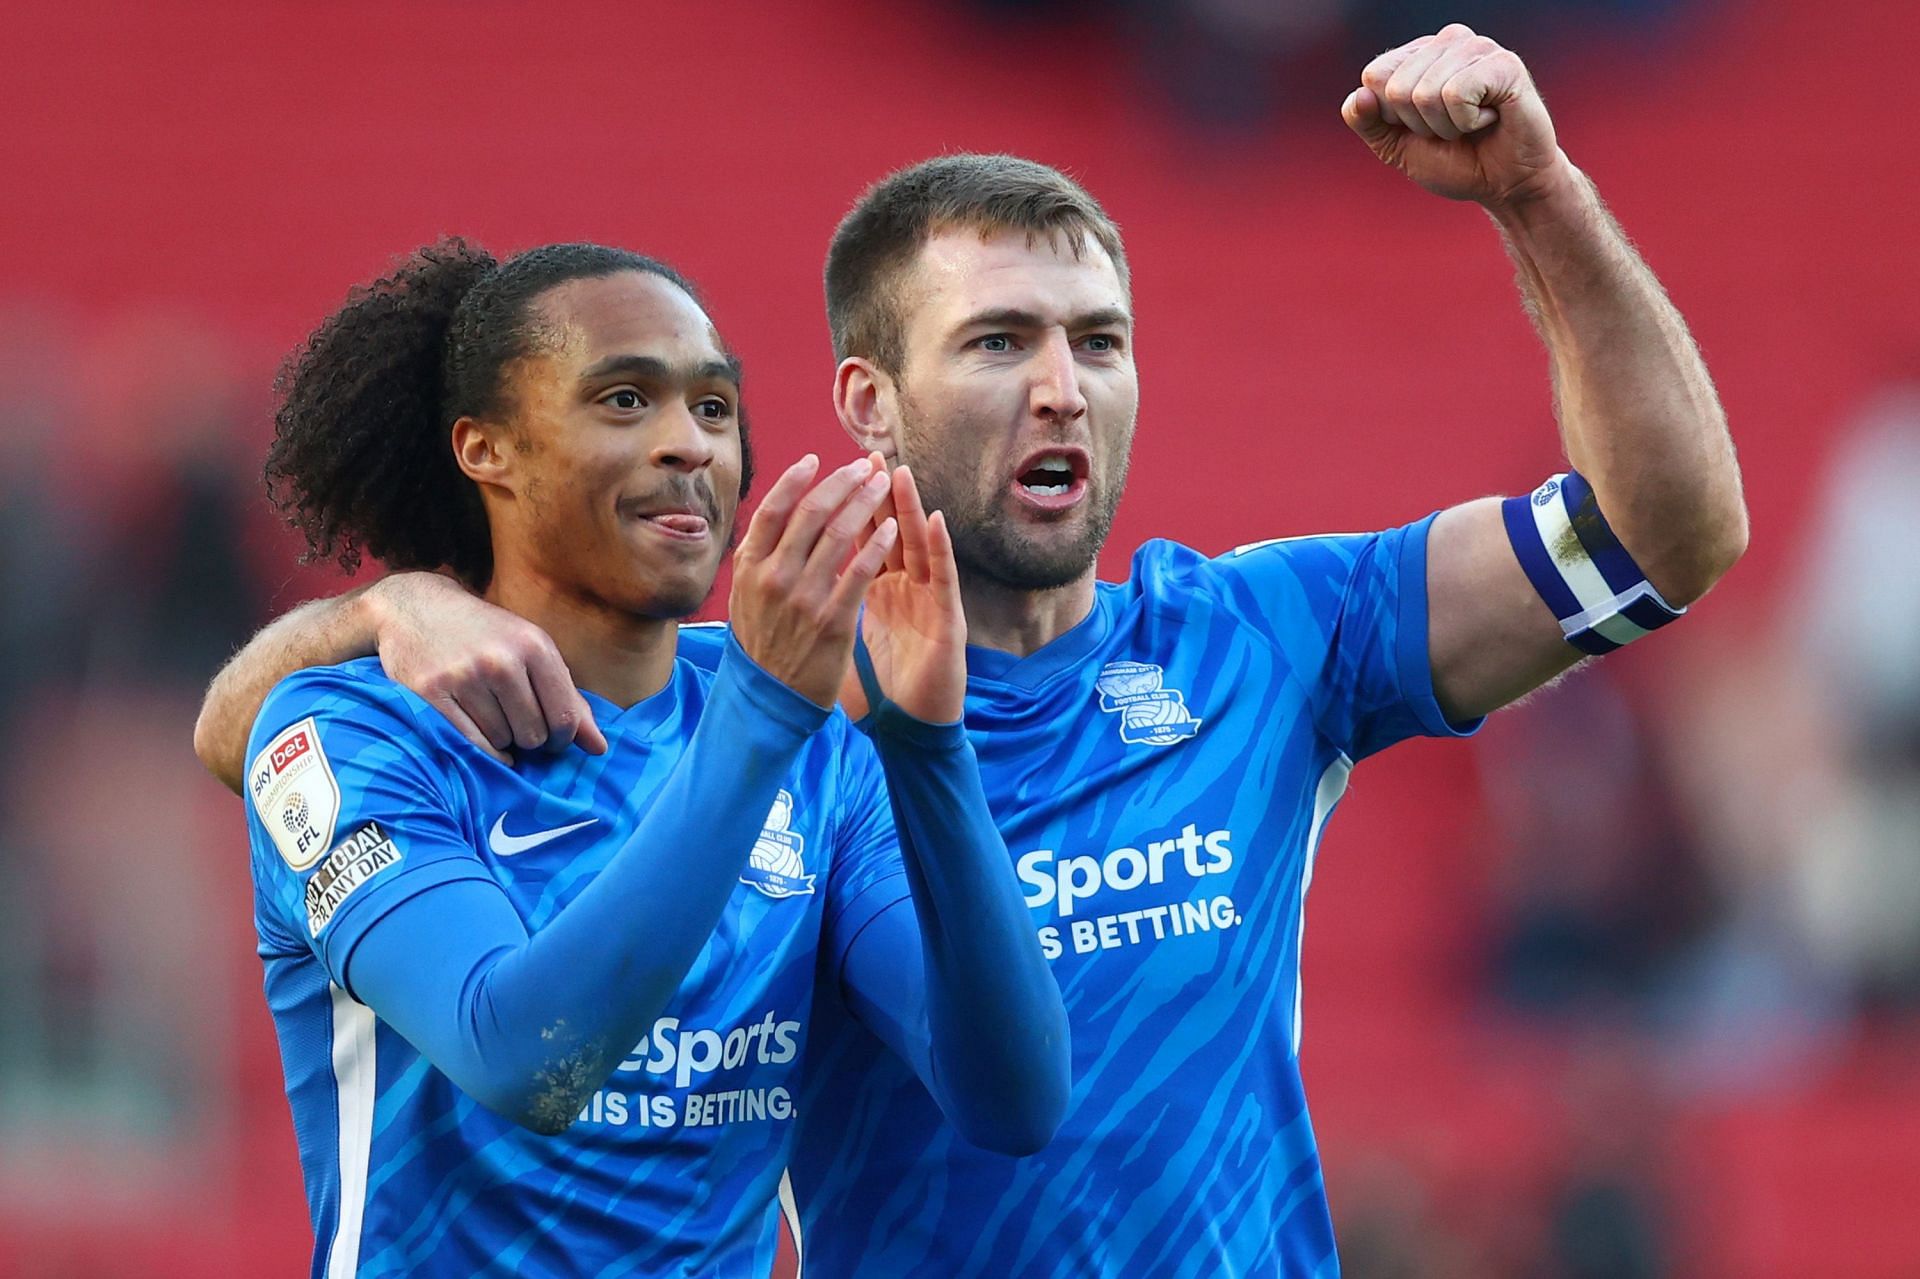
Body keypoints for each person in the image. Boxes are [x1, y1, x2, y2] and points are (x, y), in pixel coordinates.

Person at [196, 26, 1746, 1277]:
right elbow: (268, 737)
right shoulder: (790, 715)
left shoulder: (1266, 639)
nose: (1064, 385)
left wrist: (1539, 193)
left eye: (1101, 339)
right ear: (869, 401)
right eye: (1001, 340)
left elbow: (1667, 533)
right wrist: (387, 606)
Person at [229, 239, 1068, 1278]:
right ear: (487, 450)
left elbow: (1013, 1097)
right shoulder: (355, 731)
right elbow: (520, 1056)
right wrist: (760, 718)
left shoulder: (812, 745)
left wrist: (930, 751)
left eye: (713, 408)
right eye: (625, 400)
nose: (689, 444)